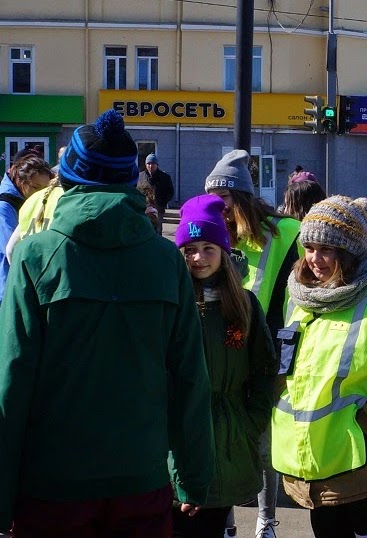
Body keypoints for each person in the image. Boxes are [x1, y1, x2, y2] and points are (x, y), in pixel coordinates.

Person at [0, 109, 214, 536]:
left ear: (70, 178)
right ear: (129, 180)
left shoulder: (34, 256)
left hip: (52, 488)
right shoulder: (165, 259)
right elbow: (189, 375)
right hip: (142, 481)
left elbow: (13, 379)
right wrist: (192, 477)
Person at [272, 196, 367, 538]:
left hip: (362, 466)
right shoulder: (301, 298)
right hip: (312, 464)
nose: (314, 259)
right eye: (309, 247)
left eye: (326, 249)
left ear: (350, 252)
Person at [171, 194, 278, 538]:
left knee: (212, 524)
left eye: (208, 248)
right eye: (190, 250)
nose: (198, 258)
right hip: (178, 438)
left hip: (228, 437)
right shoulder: (172, 304)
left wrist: (251, 421)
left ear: (223, 251)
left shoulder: (243, 305)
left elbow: (264, 368)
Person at [206, 149, 301, 538]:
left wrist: (286, 358)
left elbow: (299, 296)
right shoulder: (215, 233)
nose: (218, 209)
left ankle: (266, 522)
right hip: (225, 355)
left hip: (269, 353)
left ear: (242, 197)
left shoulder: (287, 232)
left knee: (262, 445)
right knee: (224, 442)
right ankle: (228, 523)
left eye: (223, 200)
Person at [0, 151, 52, 304]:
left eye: (45, 189)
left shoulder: (26, 200)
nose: (41, 194)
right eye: (36, 187)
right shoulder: (4, 207)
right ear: (20, 181)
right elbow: (11, 251)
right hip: (8, 291)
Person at [137, 153, 175, 233]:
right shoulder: (140, 177)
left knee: (157, 231)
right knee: (144, 230)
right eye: (149, 164)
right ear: (145, 164)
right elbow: (136, 191)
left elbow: (170, 192)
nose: (150, 166)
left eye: (153, 163)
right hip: (143, 209)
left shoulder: (165, 177)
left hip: (158, 209)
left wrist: (162, 203)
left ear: (157, 164)